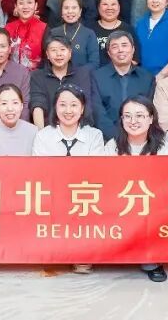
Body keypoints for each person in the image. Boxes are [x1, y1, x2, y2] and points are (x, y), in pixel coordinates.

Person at [32, 85, 108, 274]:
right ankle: (55, 251)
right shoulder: (43, 136)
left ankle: (81, 254)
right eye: (63, 105)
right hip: (53, 193)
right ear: (55, 107)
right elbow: (40, 172)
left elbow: (97, 171)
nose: (68, 110)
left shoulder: (94, 135)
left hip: (83, 193)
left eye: (74, 105)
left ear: (82, 109)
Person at [103, 95, 167, 282]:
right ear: (121, 119)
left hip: (152, 203)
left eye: (139, 116)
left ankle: (151, 260)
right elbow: (103, 179)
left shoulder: (164, 146)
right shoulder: (113, 146)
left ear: (151, 118)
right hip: (119, 201)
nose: (133, 121)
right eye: (127, 116)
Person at [29, 35, 103, 129]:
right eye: (54, 50)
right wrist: (41, 133)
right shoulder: (37, 76)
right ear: (47, 54)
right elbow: (37, 105)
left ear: (70, 53)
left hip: (78, 129)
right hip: (49, 129)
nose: (58, 54)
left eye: (62, 49)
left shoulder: (82, 74)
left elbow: (86, 105)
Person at [93, 31, 156, 139]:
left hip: (140, 137)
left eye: (124, 45)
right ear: (109, 53)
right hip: (107, 138)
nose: (120, 50)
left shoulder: (147, 78)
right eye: (115, 47)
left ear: (133, 49)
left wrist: (134, 135)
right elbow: (98, 113)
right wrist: (117, 138)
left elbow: (149, 112)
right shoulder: (97, 77)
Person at [43, 0, 100, 71]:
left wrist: (75, 74)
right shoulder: (53, 33)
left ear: (80, 11)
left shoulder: (89, 34)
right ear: (61, 11)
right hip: (57, 76)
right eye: (66, 8)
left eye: (74, 8)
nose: (70, 11)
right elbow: (48, 60)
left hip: (82, 76)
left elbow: (94, 63)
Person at [0, 84, 38, 156]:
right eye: (4, 103)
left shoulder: (34, 132)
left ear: (21, 106)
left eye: (15, 103)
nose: (10, 108)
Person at [4, 0, 47, 70]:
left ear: (36, 6)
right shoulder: (8, 28)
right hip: (11, 74)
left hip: (36, 75)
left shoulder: (44, 28)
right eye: (21, 3)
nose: (25, 7)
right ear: (16, 6)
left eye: (29, 2)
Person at [93, 0, 137, 67]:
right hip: (94, 73)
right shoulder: (89, 29)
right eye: (105, 4)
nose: (109, 8)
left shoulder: (128, 29)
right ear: (98, 7)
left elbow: (136, 59)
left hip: (121, 73)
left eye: (113, 4)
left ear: (119, 7)